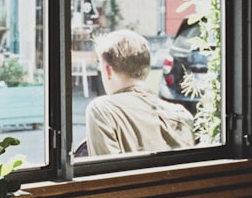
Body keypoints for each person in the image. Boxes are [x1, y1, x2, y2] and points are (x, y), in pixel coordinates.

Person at [83, 29, 195, 157]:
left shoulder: (102, 110)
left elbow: (105, 172)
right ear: (146, 70)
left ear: (108, 71)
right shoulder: (180, 115)